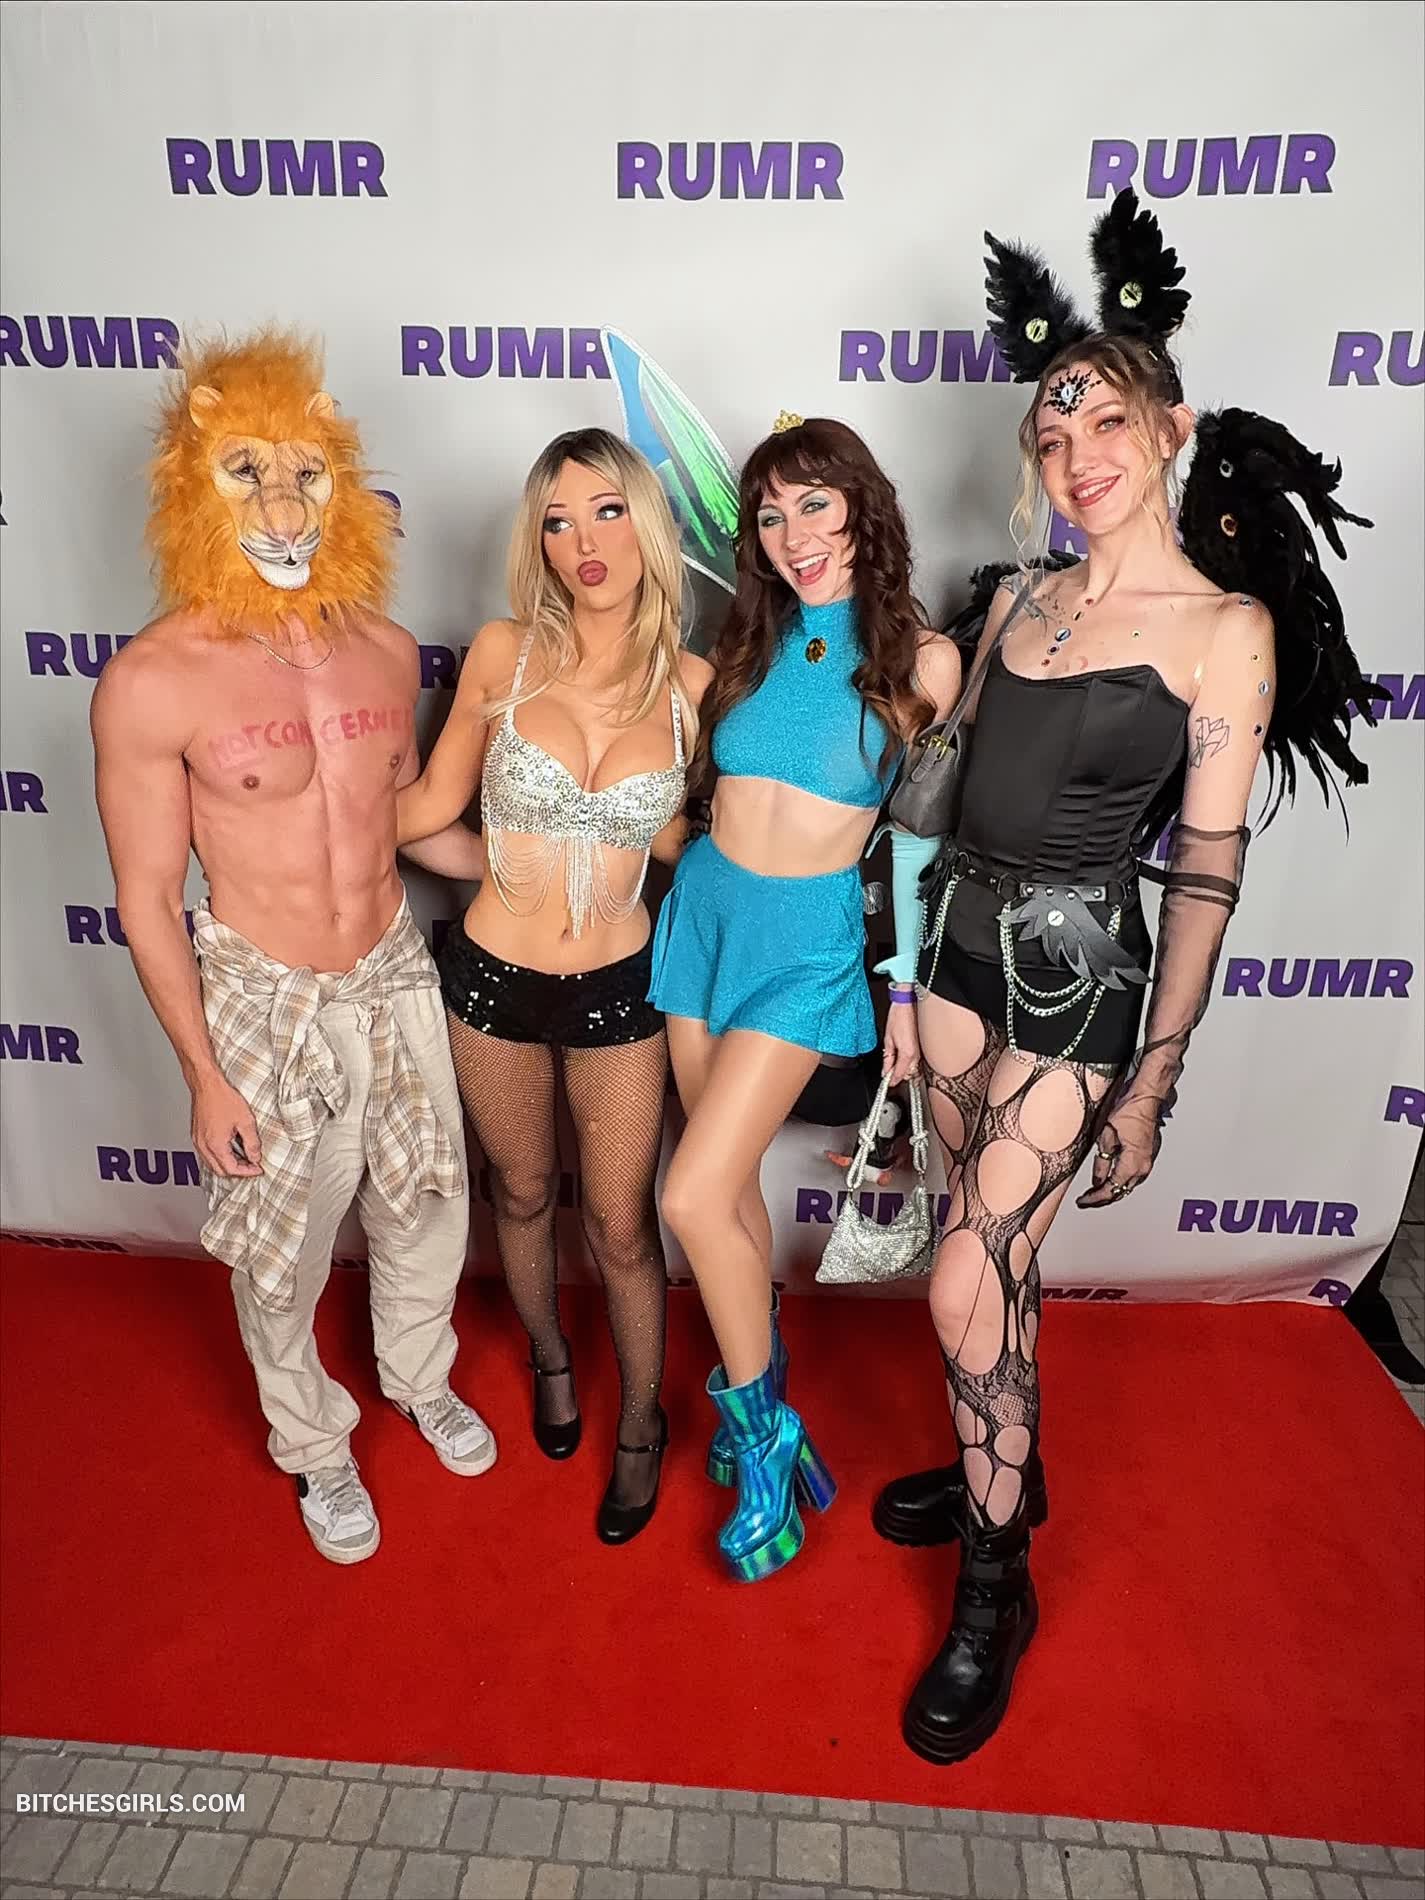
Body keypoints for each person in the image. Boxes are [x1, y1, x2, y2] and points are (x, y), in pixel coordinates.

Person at [872, 190, 1383, 1762]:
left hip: (1081, 985)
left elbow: (1206, 870)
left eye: (1102, 419)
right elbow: (938, 792)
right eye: (1049, 431)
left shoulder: (1226, 631)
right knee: (988, 1270)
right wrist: (899, 978)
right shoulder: (1015, 600)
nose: (1074, 450)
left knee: (963, 1276)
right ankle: (998, 1464)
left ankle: (995, 1588)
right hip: (955, 962)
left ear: (1168, 429)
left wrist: (1154, 1077)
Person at [92, 330, 495, 1567]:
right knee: (281, 1253)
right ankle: (315, 1443)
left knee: (429, 1202)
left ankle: (417, 1374)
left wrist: (546, 874)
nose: (281, 507)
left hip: (393, 973)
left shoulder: (384, 646)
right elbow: (148, 896)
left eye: (304, 472)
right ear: (192, 487)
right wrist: (205, 1075)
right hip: (263, 1003)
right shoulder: (151, 680)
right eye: (246, 473)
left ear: (341, 478)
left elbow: (403, 819)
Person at [652, 414, 960, 1581]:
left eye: (815, 505)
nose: (795, 535)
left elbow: (921, 848)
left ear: (862, 509)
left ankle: (766, 1438)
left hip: (807, 945)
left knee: (688, 1195)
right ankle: (760, 1378)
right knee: (722, 1190)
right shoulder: (745, 642)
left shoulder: (924, 660)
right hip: (704, 915)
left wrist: (904, 993)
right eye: (772, 516)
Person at [397, 429, 712, 1544]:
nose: (585, 540)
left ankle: (642, 1427)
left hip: (622, 989)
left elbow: (683, 849)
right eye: (557, 519)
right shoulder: (502, 654)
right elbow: (421, 815)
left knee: (622, 1225)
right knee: (523, 1194)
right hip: (491, 979)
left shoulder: (691, 686)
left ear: (646, 525)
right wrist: (301, 800)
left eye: (608, 510)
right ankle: (548, 1358)